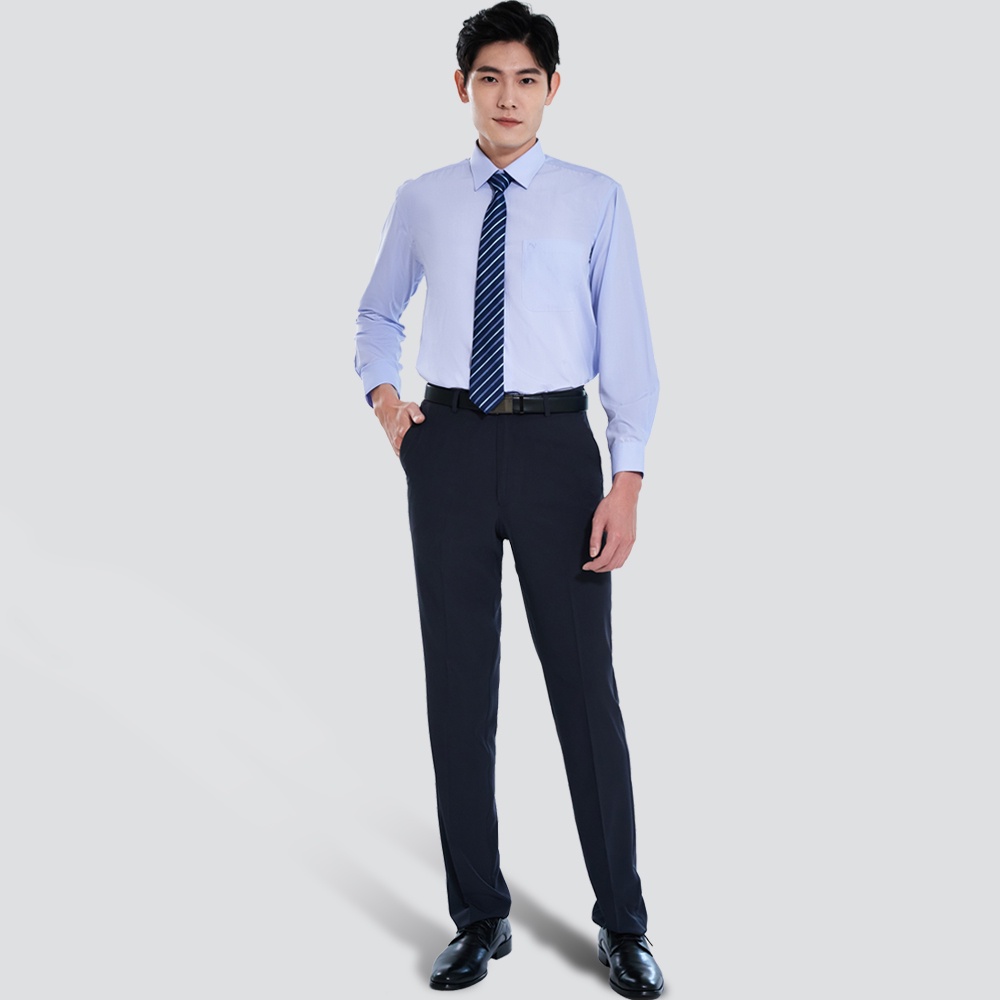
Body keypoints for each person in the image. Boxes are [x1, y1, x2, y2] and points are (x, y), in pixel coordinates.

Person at [354, 3, 663, 995]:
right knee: (458, 687)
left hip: (555, 449)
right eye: (489, 77)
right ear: (462, 87)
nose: (507, 97)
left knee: (585, 689)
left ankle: (622, 921)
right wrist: (389, 403)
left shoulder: (594, 199)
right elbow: (376, 312)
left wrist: (627, 476)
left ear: (552, 88)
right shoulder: (424, 199)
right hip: (446, 444)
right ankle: (479, 915)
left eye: (526, 79)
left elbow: (627, 346)